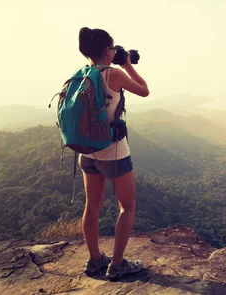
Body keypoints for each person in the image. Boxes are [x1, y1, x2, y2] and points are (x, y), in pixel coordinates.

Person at [76, 27, 149, 280]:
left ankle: (95, 260)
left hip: (86, 151)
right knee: (127, 207)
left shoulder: (82, 75)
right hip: (113, 152)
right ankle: (117, 264)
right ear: (108, 50)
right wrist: (128, 65)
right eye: (113, 48)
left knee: (92, 206)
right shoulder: (113, 74)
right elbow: (144, 90)